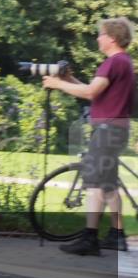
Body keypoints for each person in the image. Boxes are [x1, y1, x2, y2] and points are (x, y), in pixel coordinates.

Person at [44, 16, 136, 255]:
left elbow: (89, 92)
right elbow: (94, 92)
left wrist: (57, 84)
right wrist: (68, 80)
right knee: (108, 185)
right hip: (116, 130)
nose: (98, 38)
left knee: (94, 183)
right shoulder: (124, 62)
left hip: (106, 131)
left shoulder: (113, 63)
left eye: (101, 34)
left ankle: (90, 238)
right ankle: (116, 235)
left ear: (112, 38)